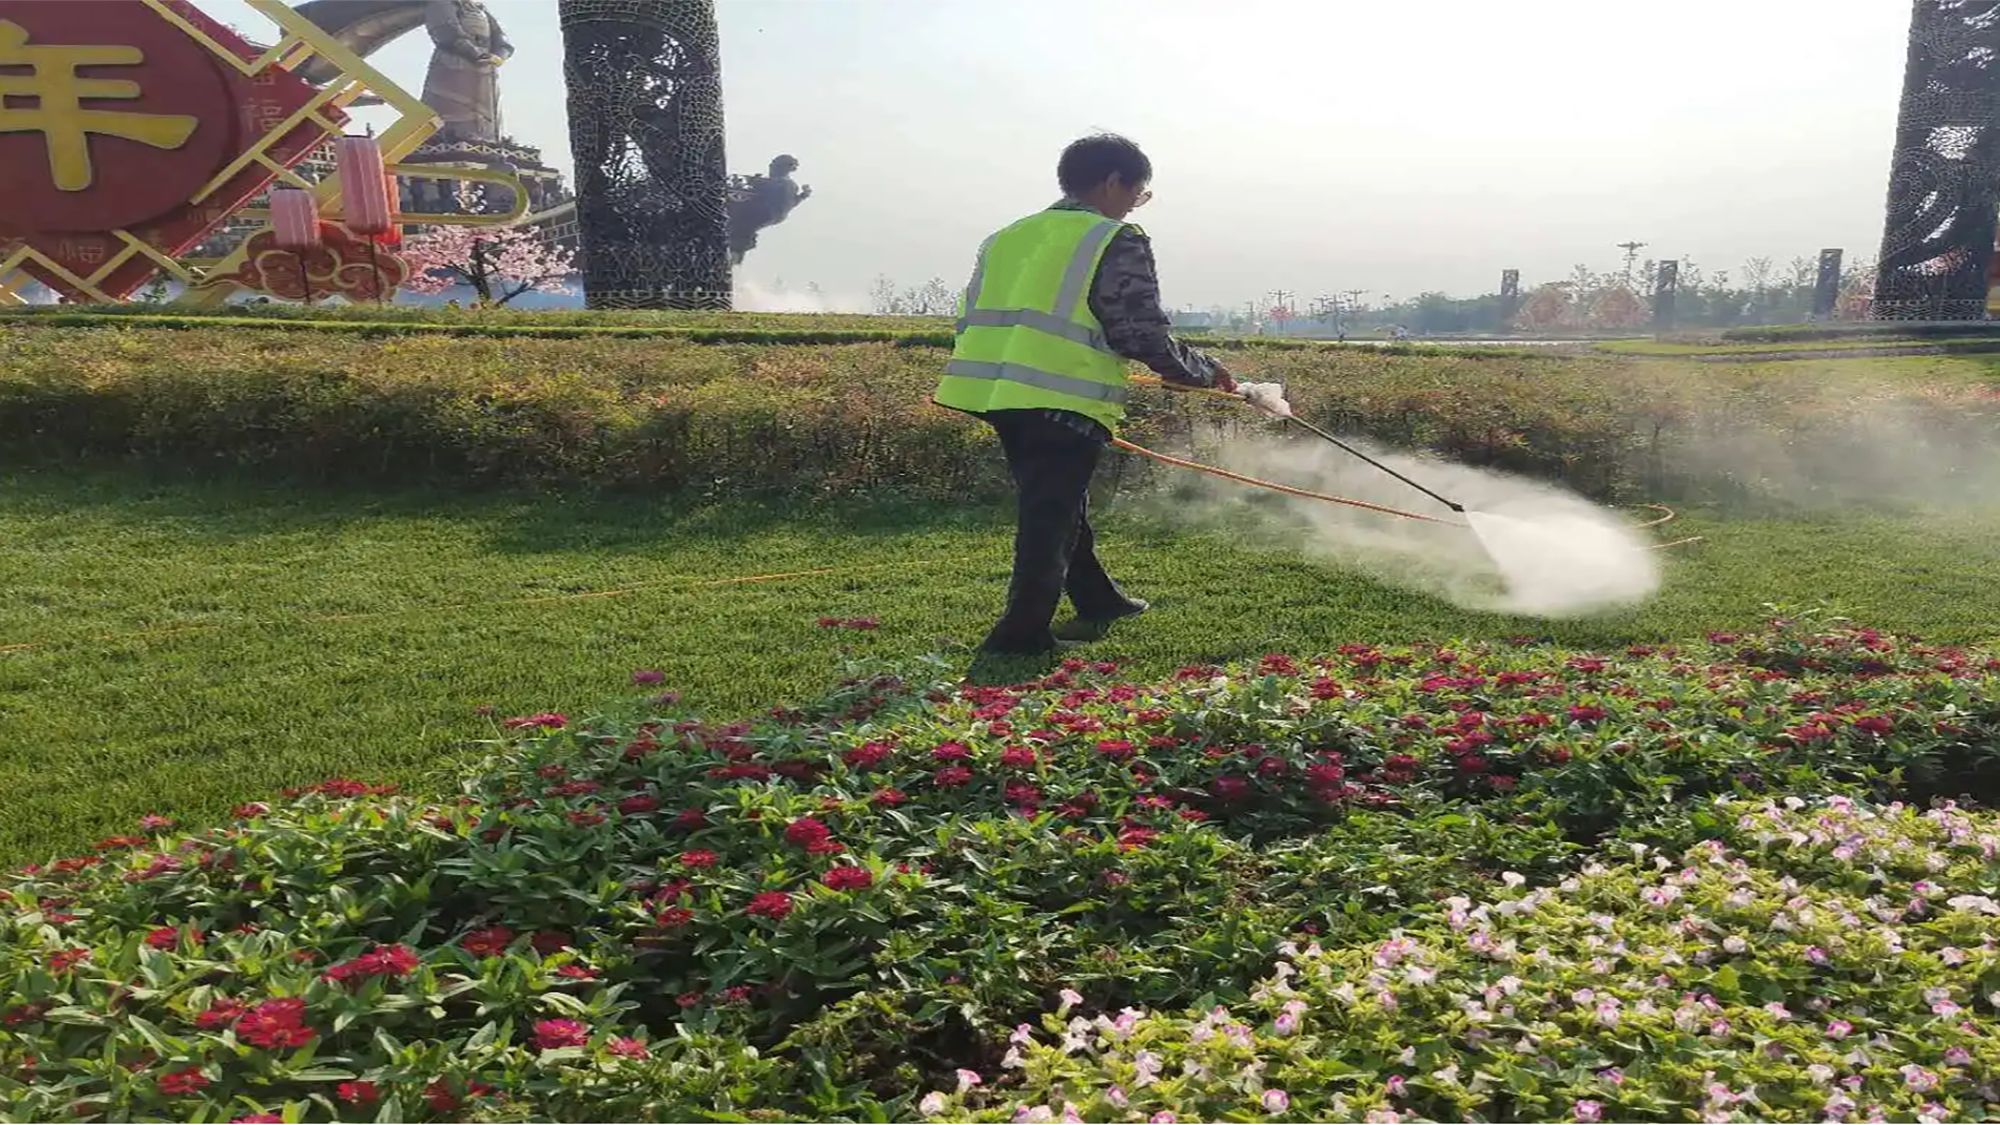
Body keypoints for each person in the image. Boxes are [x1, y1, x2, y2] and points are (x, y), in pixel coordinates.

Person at [933, 134, 1236, 655]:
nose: (1133, 206)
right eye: (1137, 193)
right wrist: (1201, 372)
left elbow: (972, 315)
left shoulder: (1009, 236)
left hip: (998, 390)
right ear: (1114, 182)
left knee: (1056, 500)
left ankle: (1098, 600)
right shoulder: (1111, 238)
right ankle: (1019, 635)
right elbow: (1138, 331)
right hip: (1061, 392)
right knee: (1049, 513)